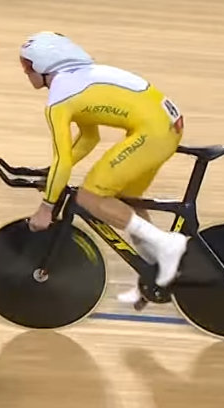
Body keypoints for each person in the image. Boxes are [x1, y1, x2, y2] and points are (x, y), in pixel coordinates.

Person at [19, 31, 190, 301]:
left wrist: (46, 207)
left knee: (90, 197)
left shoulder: (60, 98)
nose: (25, 72)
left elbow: (63, 159)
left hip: (153, 131)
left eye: (27, 66)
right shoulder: (79, 79)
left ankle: (168, 244)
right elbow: (89, 137)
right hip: (165, 126)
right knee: (126, 204)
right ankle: (152, 275)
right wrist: (54, 175)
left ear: (43, 65)